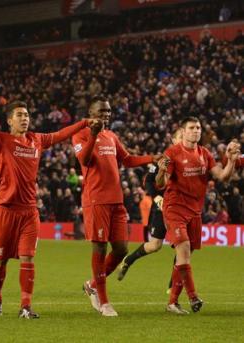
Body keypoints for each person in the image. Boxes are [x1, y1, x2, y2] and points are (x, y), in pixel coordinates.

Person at [0, 85, 101, 318]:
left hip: (29, 211)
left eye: (27, 115)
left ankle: (25, 307)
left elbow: (61, 134)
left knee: (28, 258)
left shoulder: (37, 140)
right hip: (6, 209)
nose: (25, 119)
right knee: (1, 259)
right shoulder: (1, 140)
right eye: (20, 115)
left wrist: (85, 123)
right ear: (9, 121)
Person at [72, 96, 159, 316]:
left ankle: (91, 285)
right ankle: (104, 302)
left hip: (116, 200)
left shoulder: (111, 136)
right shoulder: (80, 134)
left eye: (109, 112)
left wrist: (152, 158)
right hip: (96, 199)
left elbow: (127, 159)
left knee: (121, 249)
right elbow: (84, 160)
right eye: (102, 112)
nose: (106, 115)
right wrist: (93, 134)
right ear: (91, 114)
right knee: (100, 247)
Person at [158, 117, 239, 314]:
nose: (196, 131)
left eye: (198, 128)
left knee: (184, 257)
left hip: (195, 211)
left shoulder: (204, 153)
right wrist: (161, 170)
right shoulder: (173, 153)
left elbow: (222, 176)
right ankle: (193, 297)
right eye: (192, 128)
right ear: (183, 131)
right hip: (175, 208)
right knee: (184, 248)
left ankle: (172, 303)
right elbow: (161, 183)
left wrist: (232, 160)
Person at [117, 129, 183, 283]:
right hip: (164, 208)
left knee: (183, 246)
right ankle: (128, 260)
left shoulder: (194, 158)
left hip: (182, 209)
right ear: (173, 140)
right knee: (154, 245)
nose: (183, 138)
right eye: (180, 136)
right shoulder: (165, 158)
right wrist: (156, 197)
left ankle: (172, 287)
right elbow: (148, 180)